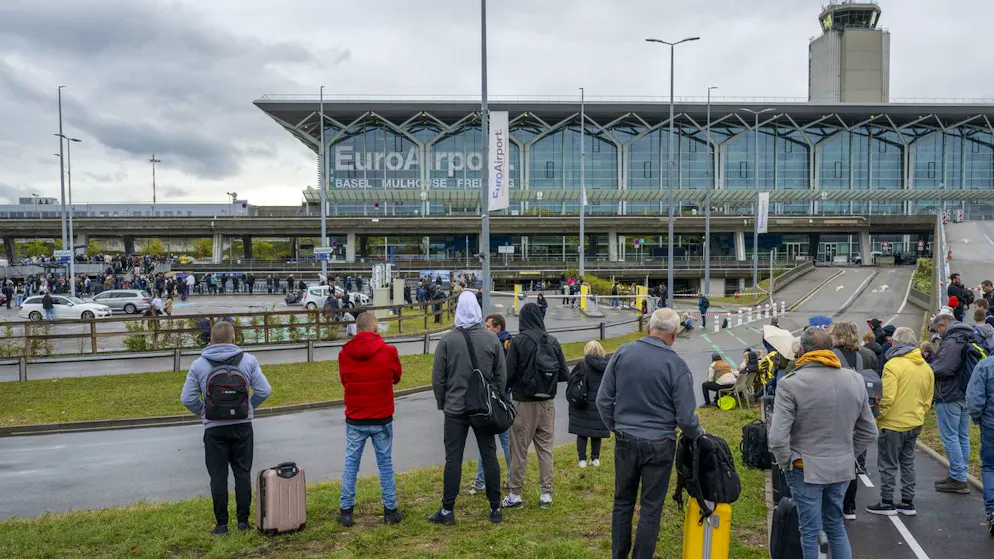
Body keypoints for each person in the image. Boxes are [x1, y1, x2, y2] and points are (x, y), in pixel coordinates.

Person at [596, 308, 703, 559]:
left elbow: (603, 400)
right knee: (651, 508)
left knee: (622, 502)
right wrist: (697, 433)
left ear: (648, 328)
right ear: (675, 334)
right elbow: (686, 419)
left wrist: (615, 426)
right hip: (660, 442)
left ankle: (618, 555)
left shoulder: (623, 352)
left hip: (625, 438)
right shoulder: (677, 365)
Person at [769, 327, 877, 559]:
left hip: (805, 468)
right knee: (836, 526)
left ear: (801, 351)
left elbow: (778, 438)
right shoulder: (854, 379)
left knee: (809, 531)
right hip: (841, 468)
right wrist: (849, 452)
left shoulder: (790, 384)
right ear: (831, 349)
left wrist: (787, 462)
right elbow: (869, 431)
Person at [180, 321, 272, 535]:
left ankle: (221, 524)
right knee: (242, 473)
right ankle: (242, 522)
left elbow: (187, 398)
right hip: (242, 426)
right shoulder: (248, 360)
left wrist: (204, 412)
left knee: (218, 476)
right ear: (233, 339)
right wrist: (248, 407)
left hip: (214, 429)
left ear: (210, 340)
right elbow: (265, 390)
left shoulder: (199, 365)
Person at [430, 291, 506, 525]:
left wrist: (442, 402)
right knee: (489, 454)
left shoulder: (447, 341)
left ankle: (447, 510)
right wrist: (496, 399)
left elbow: (438, 378)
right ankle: (495, 507)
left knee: (453, 458)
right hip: (483, 407)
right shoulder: (491, 339)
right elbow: (501, 376)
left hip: (455, 408)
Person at [337, 312, 403, 527]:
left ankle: (346, 511)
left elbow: (344, 380)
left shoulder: (345, 354)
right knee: (385, 464)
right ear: (375, 329)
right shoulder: (388, 351)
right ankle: (390, 509)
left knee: (351, 464)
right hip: (382, 417)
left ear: (357, 329)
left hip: (356, 417)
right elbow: (397, 377)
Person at [501, 302, 568, 510]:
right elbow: (564, 374)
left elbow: (508, 374)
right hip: (547, 403)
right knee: (546, 450)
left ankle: (515, 494)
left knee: (518, 450)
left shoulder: (519, 342)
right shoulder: (552, 341)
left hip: (523, 403)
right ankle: (546, 494)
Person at [864, 327, 934, 517]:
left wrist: (879, 416)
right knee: (908, 463)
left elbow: (887, 397)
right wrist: (918, 413)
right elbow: (928, 398)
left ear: (896, 343)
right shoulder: (925, 367)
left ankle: (887, 502)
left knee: (887, 464)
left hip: (893, 423)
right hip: (915, 422)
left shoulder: (893, 365)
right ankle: (907, 502)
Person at [468, 314, 514, 496]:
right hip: (497, 399)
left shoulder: (504, 345)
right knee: (488, 443)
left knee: (502, 442)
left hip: (498, 401)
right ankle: (482, 480)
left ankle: (509, 477)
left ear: (497, 328)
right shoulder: (502, 343)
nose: (485, 329)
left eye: (488, 326)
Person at [929, 314, 975, 494]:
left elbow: (944, 368)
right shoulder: (968, 336)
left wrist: (928, 369)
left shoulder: (951, 340)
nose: (938, 334)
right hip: (965, 393)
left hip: (949, 394)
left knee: (950, 436)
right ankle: (960, 473)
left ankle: (958, 478)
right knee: (962, 436)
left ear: (942, 325)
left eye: (937, 330)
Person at [965, 334, 994, 535]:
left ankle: (993, 511)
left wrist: (978, 418)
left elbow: (974, 399)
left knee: (991, 467)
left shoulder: (985, 366)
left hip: (991, 425)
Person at [568, 340, 610, 468]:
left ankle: (582, 460)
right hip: (597, 405)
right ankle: (595, 458)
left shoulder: (582, 365)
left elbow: (571, 383)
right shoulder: (606, 367)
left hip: (583, 404)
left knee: (582, 433)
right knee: (596, 433)